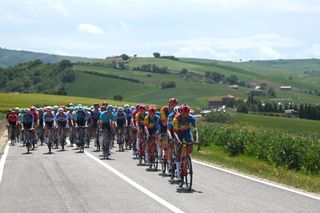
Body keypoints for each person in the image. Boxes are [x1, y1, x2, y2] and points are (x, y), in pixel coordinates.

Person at [173, 104, 199, 181]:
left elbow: (195, 129)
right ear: (180, 112)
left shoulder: (191, 118)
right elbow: (174, 132)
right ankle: (178, 172)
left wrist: (197, 139)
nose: (185, 114)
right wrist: (178, 140)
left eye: (187, 112)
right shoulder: (176, 119)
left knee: (190, 143)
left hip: (187, 131)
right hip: (178, 132)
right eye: (184, 112)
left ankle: (188, 158)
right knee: (179, 150)